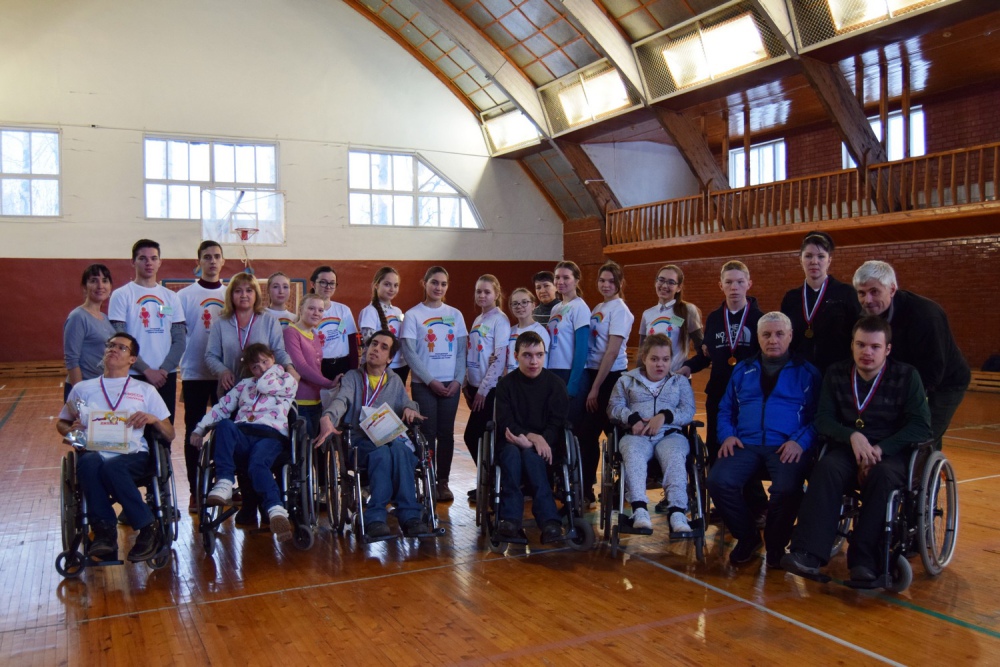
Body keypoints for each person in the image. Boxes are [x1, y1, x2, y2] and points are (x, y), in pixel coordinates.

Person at [782, 316, 932, 583]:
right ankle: (808, 553)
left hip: (891, 453)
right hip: (849, 449)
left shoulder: (908, 376)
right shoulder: (837, 373)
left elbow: (920, 426)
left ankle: (865, 560)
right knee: (826, 468)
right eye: (861, 345)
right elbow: (824, 418)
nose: (867, 352)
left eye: (875, 346)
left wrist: (880, 449)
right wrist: (852, 436)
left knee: (882, 477)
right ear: (852, 345)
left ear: (887, 349)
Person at [706, 311, 821, 567]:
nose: (773, 340)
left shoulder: (807, 372)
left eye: (780, 334)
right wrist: (727, 436)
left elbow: (818, 417)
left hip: (786, 446)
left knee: (787, 490)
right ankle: (747, 537)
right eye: (766, 334)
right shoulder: (743, 370)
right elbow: (725, 409)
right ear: (757, 337)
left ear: (790, 336)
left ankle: (776, 544)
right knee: (717, 481)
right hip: (745, 444)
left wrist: (799, 442)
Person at [56, 333, 175, 562]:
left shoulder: (145, 390)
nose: (113, 349)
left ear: (132, 359)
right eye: (110, 345)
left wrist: (153, 419)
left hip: (133, 454)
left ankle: (147, 527)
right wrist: (73, 431)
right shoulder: (83, 388)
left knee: (112, 468)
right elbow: (62, 422)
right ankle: (104, 531)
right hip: (94, 451)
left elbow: (170, 433)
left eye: (121, 347)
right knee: (89, 464)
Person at [314, 330, 430, 538]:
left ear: (391, 358)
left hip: (388, 436)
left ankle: (410, 517)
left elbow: (405, 402)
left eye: (383, 347)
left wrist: (411, 408)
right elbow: (342, 400)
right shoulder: (353, 377)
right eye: (373, 344)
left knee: (402, 452)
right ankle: (375, 518)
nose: (375, 349)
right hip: (360, 439)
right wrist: (328, 417)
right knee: (384, 454)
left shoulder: (393, 380)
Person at [206, 272, 297, 526]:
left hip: (266, 397)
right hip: (236, 392)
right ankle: (248, 505)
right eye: (238, 291)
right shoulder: (221, 322)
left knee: (260, 449)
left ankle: (269, 506)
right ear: (231, 295)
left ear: (256, 294)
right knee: (239, 450)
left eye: (249, 290)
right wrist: (222, 371)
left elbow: (278, 350)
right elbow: (211, 355)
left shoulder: (268, 320)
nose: (244, 295)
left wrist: (289, 368)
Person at [853, 260, 970, 450]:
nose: (867, 300)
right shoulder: (865, 316)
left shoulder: (925, 315)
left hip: (945, 382)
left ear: (892, 289)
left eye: (874, 292)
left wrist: (903, 402)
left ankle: (923, 469)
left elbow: (933, 371)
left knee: (922, 434)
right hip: (906, 375)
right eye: (861, 293)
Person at [191, 344, 298, 542]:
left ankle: (276, 510)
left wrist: (271, 370)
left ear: (273, 359)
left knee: (258, 464)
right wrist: (200, 429)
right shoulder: (244, 385)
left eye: (265, 362)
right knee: (224, 424)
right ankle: (224, 481)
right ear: (250, 368)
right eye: (256, 366)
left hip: (270, 435)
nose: (262, 369)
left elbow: (265, 386)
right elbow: (221, 407)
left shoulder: (287, 380)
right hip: (242, 434)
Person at [607, 334, 696, 533]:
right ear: (644, 358)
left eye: (665, 359)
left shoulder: (679, 382)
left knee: (675, 455)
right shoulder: (626, 380)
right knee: (633, 454)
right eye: (654, 359)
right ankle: (639, 509)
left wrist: (664, 416)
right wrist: (632, 419)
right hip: (636, 435)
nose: (660, 364)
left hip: (670, 434)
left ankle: (677, 511)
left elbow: (688, 411)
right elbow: (613, 407)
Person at [681, 260, 764, 463]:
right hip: (718, 392)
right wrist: (686, 367)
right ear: (721, 285)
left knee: (746, 447)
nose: (734, 287)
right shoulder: (715, 318)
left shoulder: (760, 319)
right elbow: (705, 356)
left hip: (748, 395)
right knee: (716, 445)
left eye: (739, 282)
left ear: (749, 284)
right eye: (728, 282)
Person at [400, 266, 467, 502]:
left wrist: (458, 379)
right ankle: (427, 478)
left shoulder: (455, 315)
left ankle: (442, 482)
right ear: (425, 283)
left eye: (443, 283)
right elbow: (409, 353)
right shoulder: (413, 315)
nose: (439, 287)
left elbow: (461, 351)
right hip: (424, 385)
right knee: (427, 434)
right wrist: (430, 381)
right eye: (434, 282)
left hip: (450, 385)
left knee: (446, 435)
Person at [494, 331, 568, 543]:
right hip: (512, 440)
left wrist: (539, 440)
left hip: (547, 445)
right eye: (527, 355)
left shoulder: (555, 384)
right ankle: (510, 520)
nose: (534, 361)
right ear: (515, 355)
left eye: (539, 355)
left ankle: (550, 522)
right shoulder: (505, 385)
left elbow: (558, 423)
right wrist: (530, 437)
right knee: (511, 455)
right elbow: (505, 421)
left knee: (531, 457)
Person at [108, 239, 186, 423]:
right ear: (133, 261)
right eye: (143, 258)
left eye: (153, 258)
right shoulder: (122, 295)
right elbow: (120, 340)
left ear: (160, 262)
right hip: (132, 375)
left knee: (163, 431)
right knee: (133, 430)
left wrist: (164, 370)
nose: (149, 262)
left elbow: (180, 340)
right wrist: (146, 370)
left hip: (165, 377)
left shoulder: (171, 298)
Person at [177, 241, 227, 512]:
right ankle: (196, 489)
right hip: (195, 373)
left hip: (225, 375)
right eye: (207, 257)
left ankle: (222, 485)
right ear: (199, 261)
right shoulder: (185, 295)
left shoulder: (231, 293)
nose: (212, 261)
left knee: (225, 431)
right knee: (194, 432)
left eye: (216, 256)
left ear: (223, 261)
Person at [580, 260, 634, 506]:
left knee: (612, 432)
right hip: (593, 373)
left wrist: (595, 387)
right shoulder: (598, 307)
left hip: (610, 377)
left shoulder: (620, 309)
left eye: (611, 281)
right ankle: (586, 488)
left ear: (620, 283)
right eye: (602, 280)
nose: (606, 284)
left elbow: (611, 352)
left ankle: (621, 487)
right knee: (587, 433)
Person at [780, 232, 859, 374]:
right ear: (800, 259)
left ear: (829, 260)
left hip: (837, 374)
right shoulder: (791, 298)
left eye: (821, 256)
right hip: (800, 374)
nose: (814, 261)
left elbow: (857, 334)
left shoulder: (846, 293)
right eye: (808, 256)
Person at [463, 275, 510, 483]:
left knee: (473, 436)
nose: (482, 295)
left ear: (497, 294)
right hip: (474, 388)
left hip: (489, 390)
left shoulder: (500, 320)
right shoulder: (478, 319)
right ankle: (487, 483)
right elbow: (472, 353)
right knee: (479, 438)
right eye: (478, 291)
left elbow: (499, 359)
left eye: (487, 292)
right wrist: (466, 385)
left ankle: (491, 483)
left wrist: (482, 390)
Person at [284, 293, 336, 438]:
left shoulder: (314, 334)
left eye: (320, 310)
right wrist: (329, 383)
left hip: (316, 401)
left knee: (316, 447)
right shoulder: (290, 332)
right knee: (303, 451)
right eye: (311, 308)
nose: (316, 313)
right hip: (299, 401)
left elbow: (316, 367)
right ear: (300, 309)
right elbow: (301, 366)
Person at [546, 261, 590, 428]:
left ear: (576, 280)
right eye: (557, 277)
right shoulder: (556, 308)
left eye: (566, 277)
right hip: (554, 373)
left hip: (571, 374)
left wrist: (572, 384)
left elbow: (581, 350)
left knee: (570, 429)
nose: (560, 282)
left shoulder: (580, 307)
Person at [63, 264, 116, 401]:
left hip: (101, 388)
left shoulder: (105, 318)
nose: (100, 285)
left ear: (110, 286)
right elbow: (72, 359)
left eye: (105, 280)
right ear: (84, 287)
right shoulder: (78, 317)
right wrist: (80, 393)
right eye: (93, 281)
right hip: (83, 390)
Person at [638, 264, 703, 374]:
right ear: (655, 282)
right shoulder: (647, 314)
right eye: (661, 280)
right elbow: (642, 351)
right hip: (651, 379)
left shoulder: (688, 310)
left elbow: (701, 348)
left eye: (671, 282)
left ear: (679, 288)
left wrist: (688, 367)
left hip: (677, 378)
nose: (664, 285)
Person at [358, 266, 408, 385]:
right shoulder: (369, 311)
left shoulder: (397, 311)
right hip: (379, 367)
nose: (392, 289)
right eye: (387, 284)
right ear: (376, 285)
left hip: (400, 365)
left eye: (396, 285)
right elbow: (369, 341)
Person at [309, 266, 359, 385]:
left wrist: (353, 370)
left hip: (343, 364)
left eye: (332, 283)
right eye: (323, 282)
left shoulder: (343, 310)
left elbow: (352, 342)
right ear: (313, 284)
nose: (328, 287)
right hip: (318, 365)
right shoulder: (307, 311)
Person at [505, 288, 550, 374]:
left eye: (524, 302)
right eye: (515, 303)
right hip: (510, 382)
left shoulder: (540, 332)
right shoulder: (510, 331)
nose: (519, 306)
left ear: (533, 305)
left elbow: (542, 364)